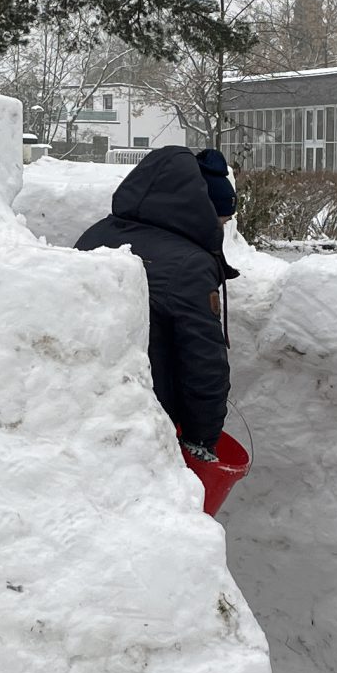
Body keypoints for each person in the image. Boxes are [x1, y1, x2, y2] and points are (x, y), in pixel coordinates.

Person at [77, 145, 237, 457]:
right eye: (222, 220)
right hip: (144, 425)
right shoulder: (191, 265)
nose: (222, 228)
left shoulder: (94, 235)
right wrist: (201, 441)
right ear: (200, 210)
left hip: (79, 410)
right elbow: (204, 365)